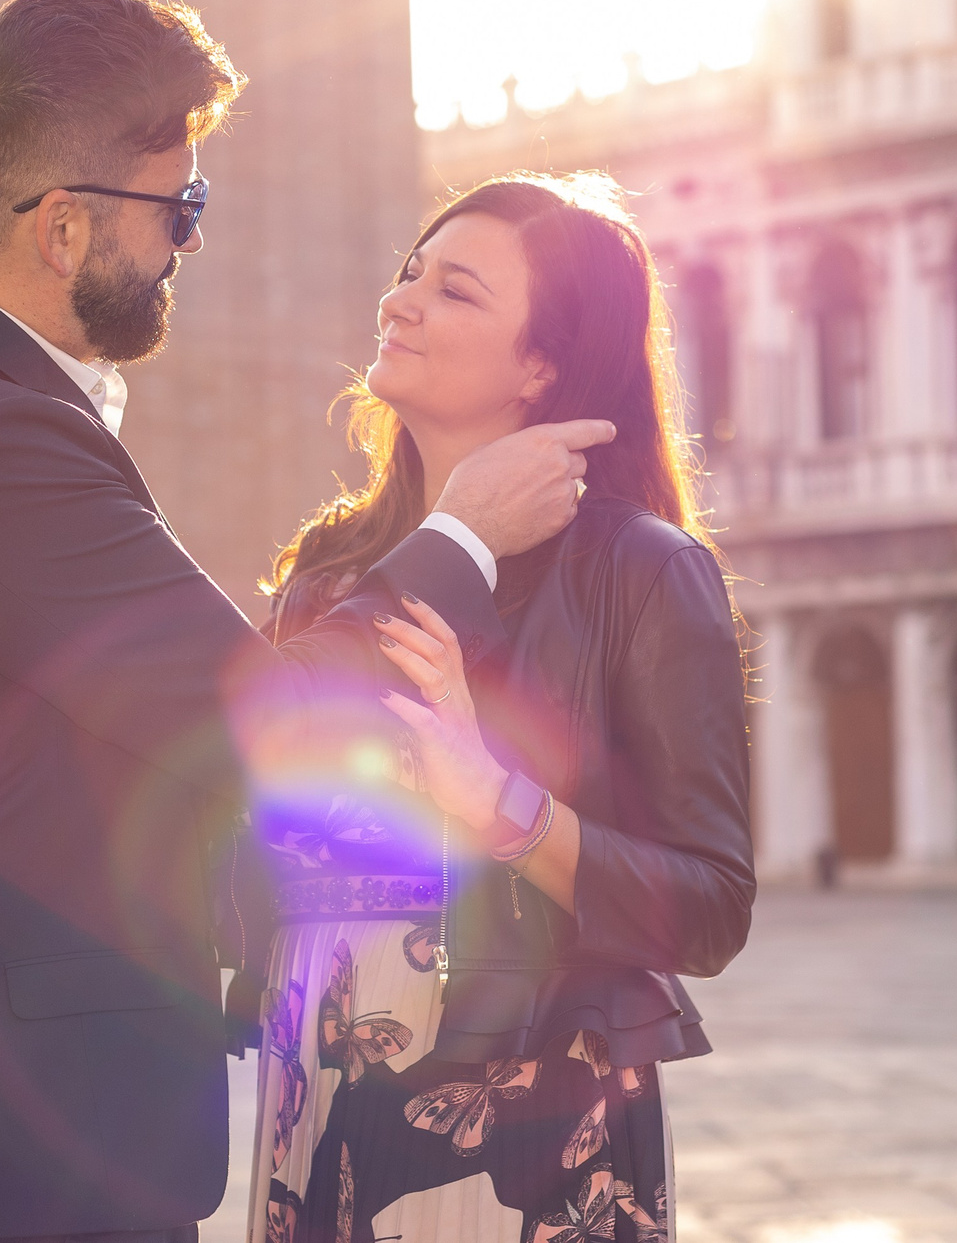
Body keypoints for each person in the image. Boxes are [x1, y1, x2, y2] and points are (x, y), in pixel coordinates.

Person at [0, 0, 612, 1243]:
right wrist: (467, 534)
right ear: (62, 229)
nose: (192, 242)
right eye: (182, 208)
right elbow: (264, 725)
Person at [247, 174, 754, 1243]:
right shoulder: (332, 573)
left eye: (456, 290)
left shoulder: (644, 571)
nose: (402, 300)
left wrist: (503, 810)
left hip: (529, 1113)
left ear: (544, 365)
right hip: (320, 1084)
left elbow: (709, 905)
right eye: (407, 272)